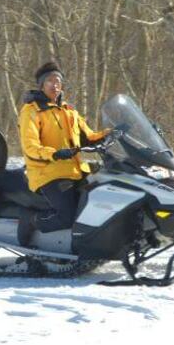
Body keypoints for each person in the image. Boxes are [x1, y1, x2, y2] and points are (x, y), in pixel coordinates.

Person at [17, 62, 110, 246]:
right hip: (48, 172)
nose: (55, 85)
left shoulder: (68, 110)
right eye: (50, 81)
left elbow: (89, 137)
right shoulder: (32, 111)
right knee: (67, 216)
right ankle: (30, 220)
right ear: (42, 85)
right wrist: (55, 154)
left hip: (76, 168)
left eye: (58, 80)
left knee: (99, 201)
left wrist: (111, 132)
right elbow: (31, 147)